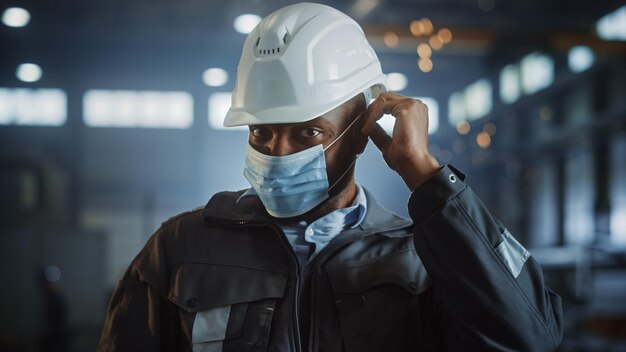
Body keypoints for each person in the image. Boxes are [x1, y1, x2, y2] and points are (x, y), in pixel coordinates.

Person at [98, 3, 563, 351]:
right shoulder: (181, 247)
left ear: (363, 134)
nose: (277, 153)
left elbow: (529, 339)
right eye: (261, 131)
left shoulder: (422, 256)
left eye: (308, 132)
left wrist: (427, 178)